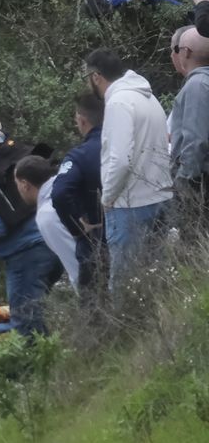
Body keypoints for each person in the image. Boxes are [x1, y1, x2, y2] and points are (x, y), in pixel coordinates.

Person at [0, 110, 59, 336]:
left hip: (26, 253)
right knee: (37, 310)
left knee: (25, 318)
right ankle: (49, 356)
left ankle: (34, 365)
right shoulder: (21, 152)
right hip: (53, 240)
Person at [86, 49, 172, 290]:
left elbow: (120, 159)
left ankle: (126, 328)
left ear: (96, 76)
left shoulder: (119, 102)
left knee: (124, 284)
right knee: (157, 280)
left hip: (131, 204)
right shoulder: (147, 97)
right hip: (160, 196)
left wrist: (107, 198)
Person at [51, 92, 105, 289]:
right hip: (130, 233)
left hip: (95, 239)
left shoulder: (80, 156)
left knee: (95, 306)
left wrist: (77, 226)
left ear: (82, 121)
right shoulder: (125, 144)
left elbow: (59, 193)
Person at [16, 156, 80, 295]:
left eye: (17, 185)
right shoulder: (67, 187)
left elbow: (73, 259)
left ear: (24, 184)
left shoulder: (47, 215)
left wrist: (87, 298)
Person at [169, 28, 209, 211]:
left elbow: (195, 142)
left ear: (186, 52)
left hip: (200, 188)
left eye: (175, 50)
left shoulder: (197, 85)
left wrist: (184, 182)